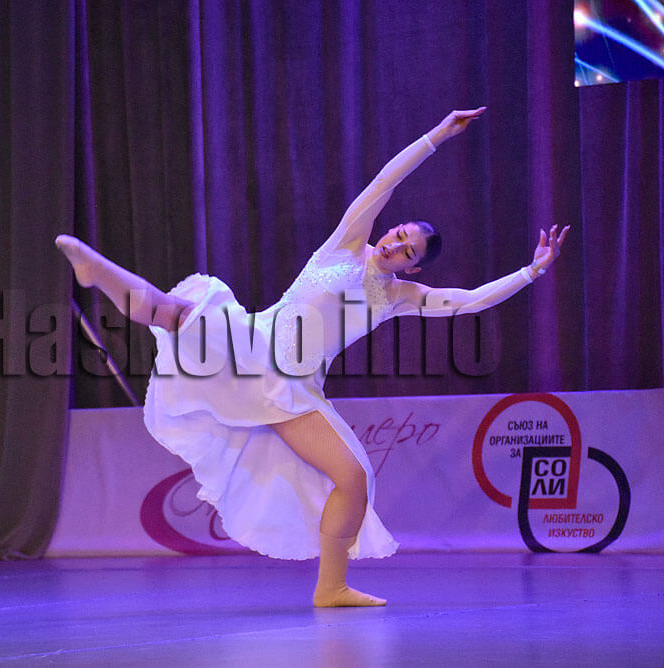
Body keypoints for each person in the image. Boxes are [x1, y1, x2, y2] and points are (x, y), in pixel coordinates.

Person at [55, 107, 569, 607]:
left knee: (355, 479)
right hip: (253, 343)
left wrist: (532, 272)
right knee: (175, 314)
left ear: (412, 268)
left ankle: (332, 587)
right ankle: (97, 270)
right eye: (398, 235)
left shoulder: (398, 297)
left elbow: (467, 301)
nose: (395, 246)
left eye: (407, 252)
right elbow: (385, 181)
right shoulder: (346, 244)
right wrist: (437, 135)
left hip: (293, 390)